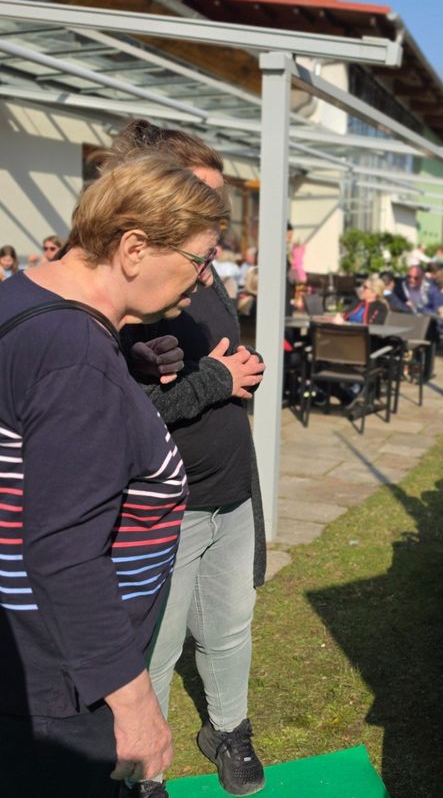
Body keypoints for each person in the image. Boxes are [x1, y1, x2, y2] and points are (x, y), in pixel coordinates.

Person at [0, 154, 227, 797]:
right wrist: (134, 707)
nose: (205, 280)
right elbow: (65, 553)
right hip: (61, 684)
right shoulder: (76, 360)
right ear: (134, 247)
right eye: (199, 258)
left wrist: (120, 363)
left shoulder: (24, 301)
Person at [112, 121, 267, 798]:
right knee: (156, 648)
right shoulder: (131, 295)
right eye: (203, 206)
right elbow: (125, 410)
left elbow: (217, 371)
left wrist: (236, 374)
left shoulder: (208, 282)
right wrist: (217, 381)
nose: (217, 231)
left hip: (229, 489)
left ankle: (227, 729)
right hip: (164, 505)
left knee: (232, 625)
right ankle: (146, 770)